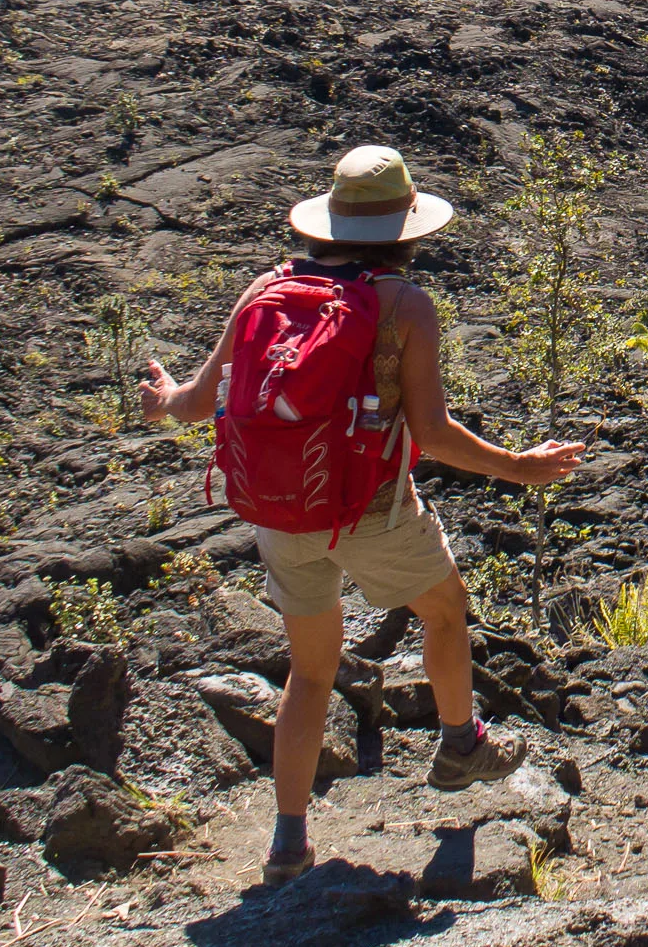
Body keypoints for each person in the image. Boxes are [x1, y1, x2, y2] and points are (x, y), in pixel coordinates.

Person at [137, 144, 583, 884]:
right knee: (445, 611)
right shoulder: (404, 306)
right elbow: (432, 435)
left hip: (278, 513)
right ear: (406, 231)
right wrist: (521, 468)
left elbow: (193, 403)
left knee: (310, 672)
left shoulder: (263, 292)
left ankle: (286, 844)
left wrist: (161, 402)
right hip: (370, 510)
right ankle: (458, 742)